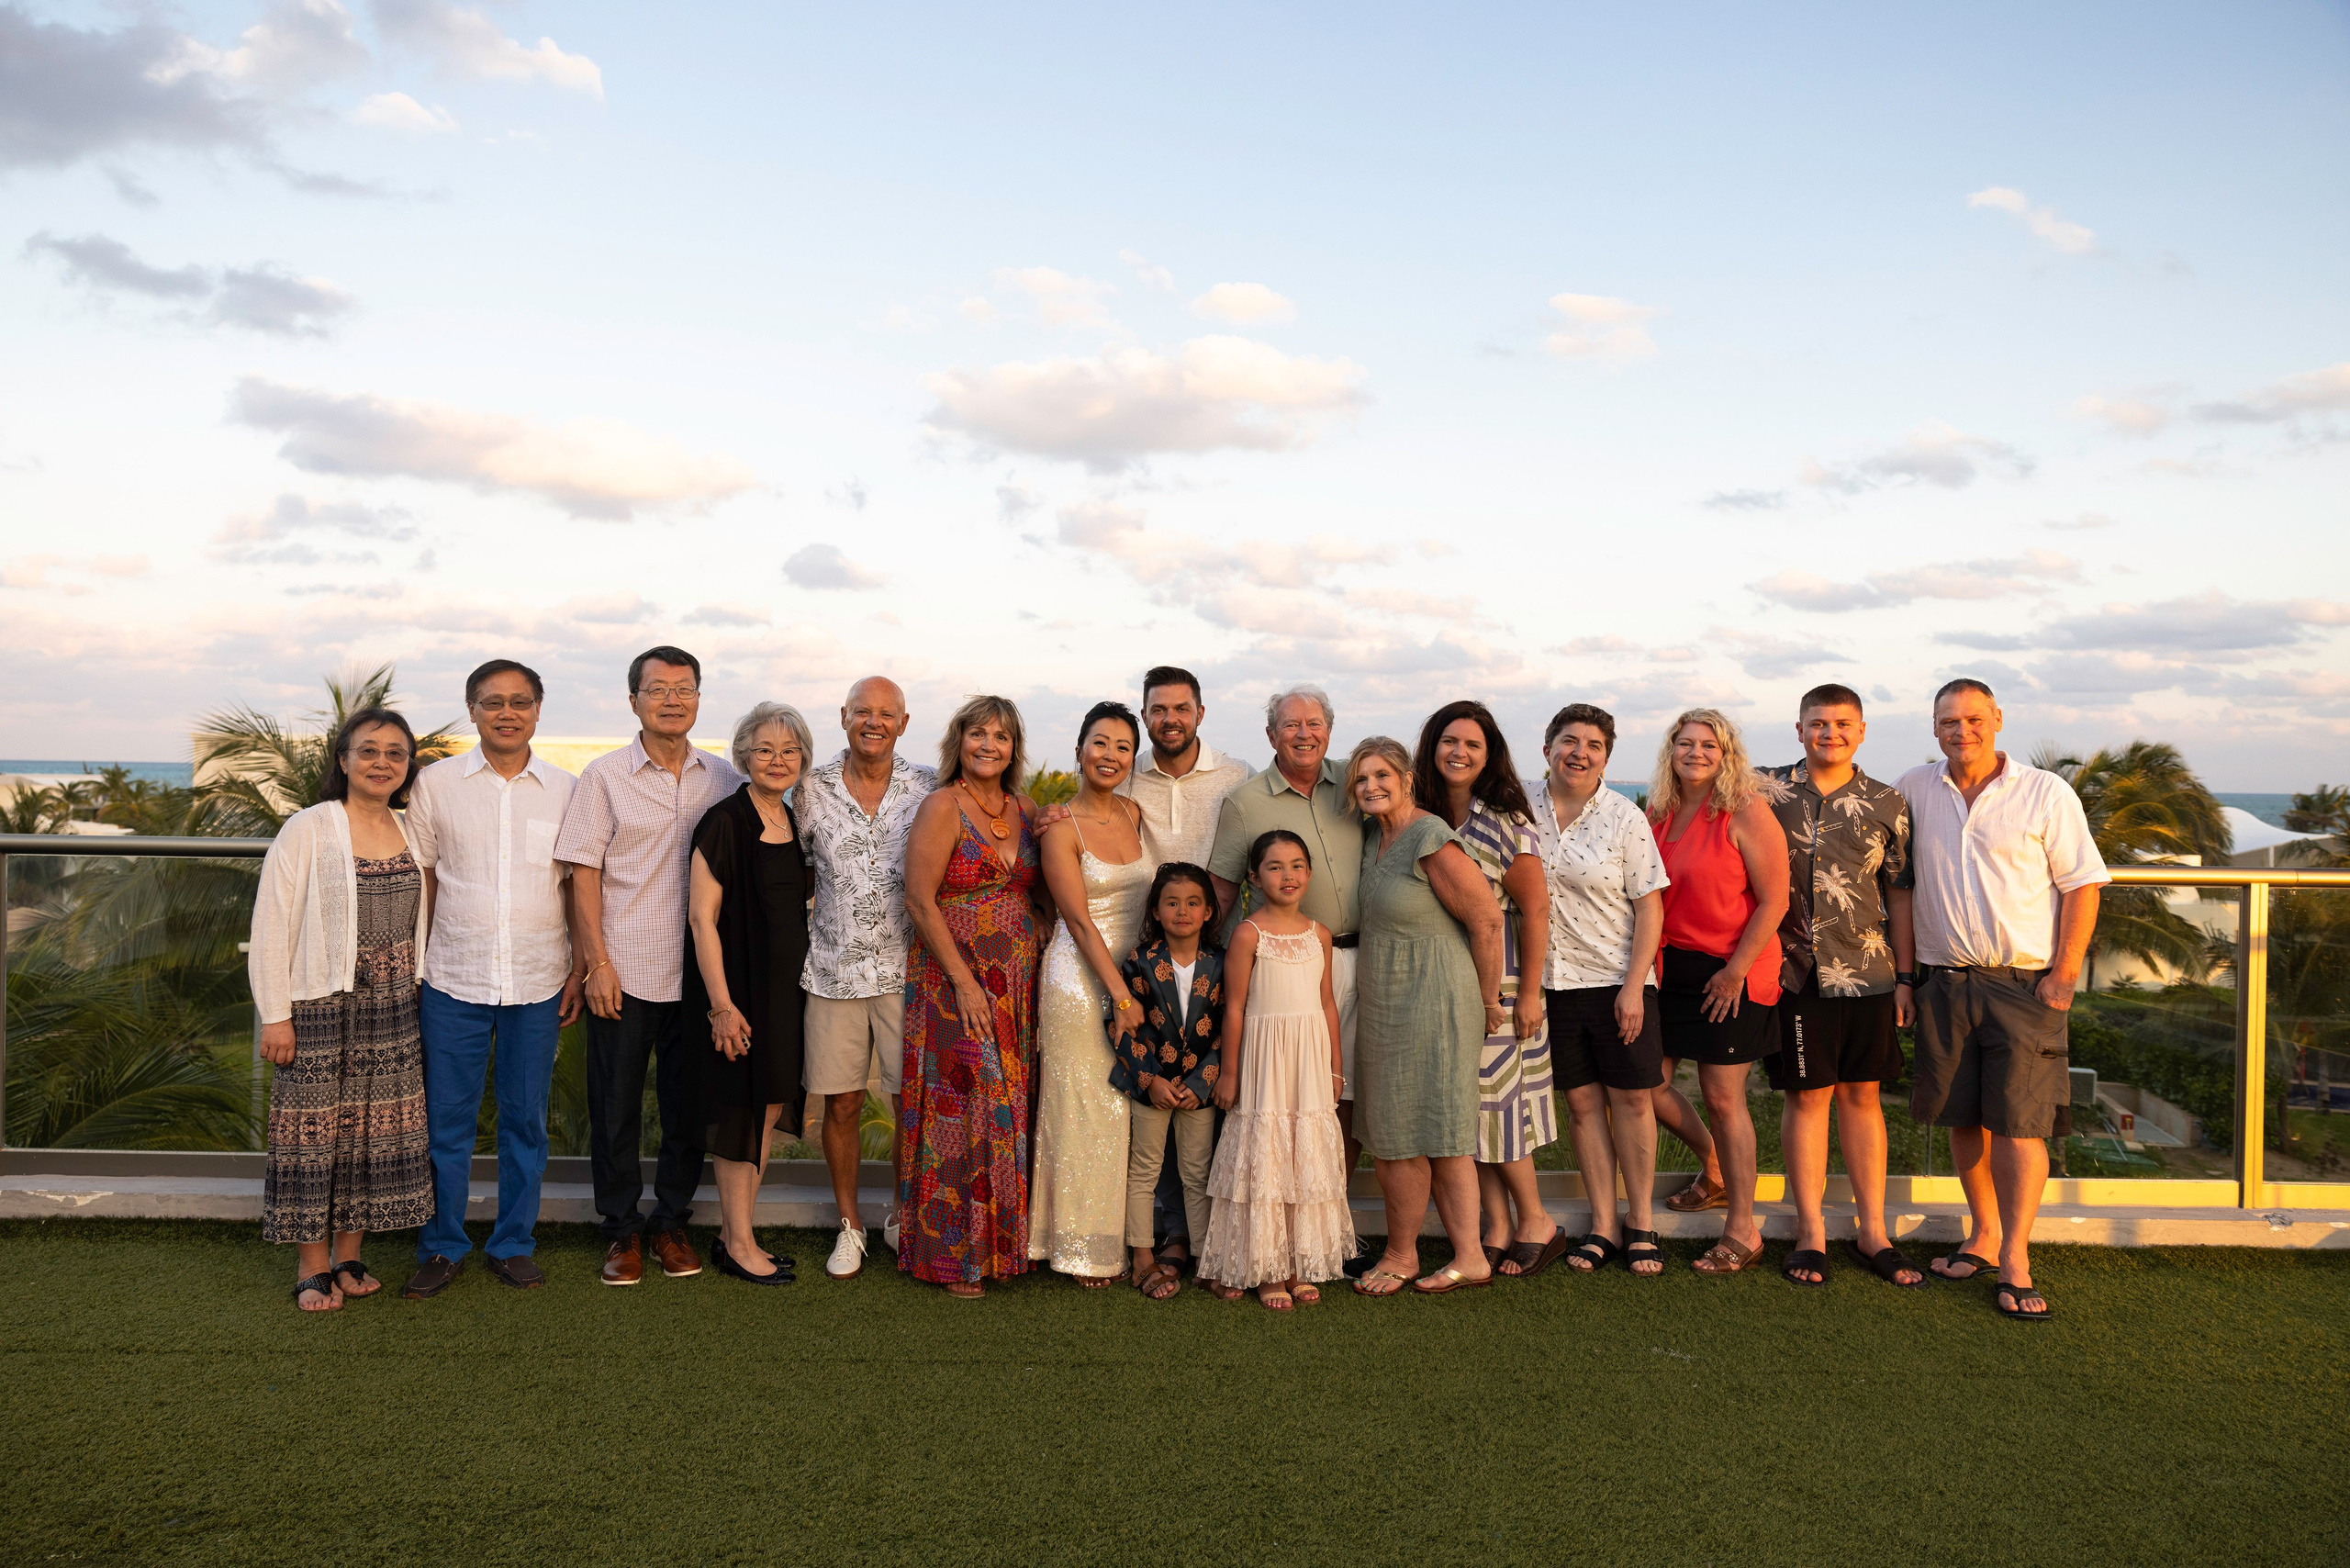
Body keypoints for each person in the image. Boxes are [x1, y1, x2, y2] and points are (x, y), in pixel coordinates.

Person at [1899, 678, 2108, 1320]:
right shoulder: (1914, 788)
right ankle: (1983, 1233)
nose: (1960, 732)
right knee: (1964, 1119)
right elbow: (1900, 887)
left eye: (1971, 720)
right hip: (1944, 981)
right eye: (1947, 722)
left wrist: (2064, 974)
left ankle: (2016, 1256)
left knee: (2021, 1126)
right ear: (1933, 728)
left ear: (1997, 720)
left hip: (2025, 985)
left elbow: (2082, 884)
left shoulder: (2047, 793)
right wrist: (1907, 980)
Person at [554, 645, 745, 1286]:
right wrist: (596, 964)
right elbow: (584, 875)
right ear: (632, 698)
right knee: (615, 1110)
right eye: (657, 688)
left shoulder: (724, 779)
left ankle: (669, 1223)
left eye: (685, 688)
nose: (672, 699)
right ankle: (619, 1232)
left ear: (699, 698)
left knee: (687, 1109)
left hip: (697, 978)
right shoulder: (603, 777)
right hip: (626, 972)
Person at [402, 660, 580, 1300]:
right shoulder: (436, 785)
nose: (507, 712)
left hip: (538, 982)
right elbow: (423, 875)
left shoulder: (566, 788)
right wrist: (418, 968)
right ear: (473, 709)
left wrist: (580, 969)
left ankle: (511, 1244)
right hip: (451, 979)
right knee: (445, 1122)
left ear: (538, 709)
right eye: (492, 702)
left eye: (520, 701)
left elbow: (577, 886)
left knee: (525, 1121)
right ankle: (443, 1245)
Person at [250, 707, 433, 1311]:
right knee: (312, 1137)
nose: (382, 762)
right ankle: (312, 1266)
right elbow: (272, 925)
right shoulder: (308, 828)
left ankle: (350, 1255)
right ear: (344, 759)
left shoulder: (414, 830)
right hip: (319, 1004)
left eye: (395, 754)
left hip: (394, 1007)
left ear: (407, 768)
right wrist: (274, 1013)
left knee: (372, 1138)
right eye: (369, 750)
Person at [1758, 684, 1921, 1289]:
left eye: (1842, 723)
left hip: (1871, 973)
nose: (1830, 733)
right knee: (1807, 1098)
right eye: (1818, 723)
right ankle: (1809, 1232)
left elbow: (1899, 894)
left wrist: (1906, 977)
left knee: (1862, 1098)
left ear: (1862, 730)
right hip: (1792, 971)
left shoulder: (1887, 801)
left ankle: (1872, 1231)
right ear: (1799, 729)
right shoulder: (1763, 788)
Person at [1344, 736, 1507, 1297]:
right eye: (1362, 779)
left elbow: (1487, 920)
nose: (1372, 786)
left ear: (1408, 779)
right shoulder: (1373, 837)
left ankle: (1462, 1256)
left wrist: (1490, 1001)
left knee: (1439, 1130)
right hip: (1388, 998)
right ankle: (1407, 1250)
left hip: (1436, 997)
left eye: (1383, 775)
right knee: (1391, 1131)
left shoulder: (1430, 836)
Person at [898, 696, 1049, 1297]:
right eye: (978, 733)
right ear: (959, 741)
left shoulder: (1027, 809)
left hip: (1017, 984)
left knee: (1011, 1106)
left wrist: (1035, 917)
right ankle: (952, 1257)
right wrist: (964, 981)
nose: (989, 744)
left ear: (1015, 747)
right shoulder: (943, 806)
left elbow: (1039, 887)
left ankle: (1003, 1251)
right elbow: (918, 899)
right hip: (956, 984)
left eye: (1002, 736)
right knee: (964, 1112)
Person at [1414, 700, 1565, 1278]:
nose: (1459, 752)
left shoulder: (1507, 823)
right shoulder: (1423, 818)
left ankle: (1536, 1222)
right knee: (1464, 1110)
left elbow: (1535, 911)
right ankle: (1497, 1227)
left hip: (1498, 987)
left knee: (1499, 1106)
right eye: (1449, 741)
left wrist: (1528, 994)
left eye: (1472, 745)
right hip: (1440, 986)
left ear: (1489, 755)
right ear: (1432, 747)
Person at [795, 676, 934, 1282]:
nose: (873, 722)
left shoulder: (930, 787)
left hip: (910, 973)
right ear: (843, 717)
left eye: (886, 713)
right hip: (832, 972)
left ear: (903, 723)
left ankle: (905, 1217)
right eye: (861, 712)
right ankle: (850, 1226)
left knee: (912, 1105)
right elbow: (793, 870)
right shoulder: (809, 789)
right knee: (843, 1102)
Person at [1115, 664, 1254, 1274]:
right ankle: (1167, 1234)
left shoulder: (1235, 777)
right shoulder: (1126, 776)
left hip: (1214, 960)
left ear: (1200, 712)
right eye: (1158, 710)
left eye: (1181, 708)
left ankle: (1203, 1242)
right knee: (1150, 1107)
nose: (1170, 719)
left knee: (1203, 1110)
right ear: (1145, 715)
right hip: (1136, 955)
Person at [1528, 704, 1672, 1277]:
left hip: (1618, 984)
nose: (1579, 753)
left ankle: (1641, 1224)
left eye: (1592, 745)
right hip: (1552, 986)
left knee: (1633, 1101)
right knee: (1582, 1106)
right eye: (1569, 741)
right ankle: (1604, 1226)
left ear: (1606, 757)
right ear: (1547, 748)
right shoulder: (1521, 814)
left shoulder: (1623, 817)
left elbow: (1649, 905)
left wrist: (1635, 986)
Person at [1647, 707, 1789, 1276]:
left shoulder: (1746, 810)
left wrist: (1734, 971)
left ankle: (1743, 1229)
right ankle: (1714, 1168)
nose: (1697, 752)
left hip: (1732, 971)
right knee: (1646, 1085)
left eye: (1709, 744)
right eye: (1686, 743)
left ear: (1726, 753)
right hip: (1669, 969)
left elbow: (1774, 901)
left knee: (1724, 1097)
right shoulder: (1657, 810)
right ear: (1671, 751)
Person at [684, 702, 817, 1286]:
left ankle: (734, 1233)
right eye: (764, 749)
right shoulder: (724, 821)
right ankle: (740, 1243)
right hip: (739, 994)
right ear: (744, 756)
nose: (777, 760)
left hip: (786, 995)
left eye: (789, 751)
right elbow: (701, 920)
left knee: (763, 1110)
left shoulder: (792, 821)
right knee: (741, 1112)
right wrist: (722, 1005)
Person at [1209, 686, 1366, 1181]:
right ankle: (1277, 1207)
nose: (1304, 734)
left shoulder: (1356, 784)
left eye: (1314, 723)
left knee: (1344, 1092)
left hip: (1360, 956)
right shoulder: (1245, 803)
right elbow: (1222, 892)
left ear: (1329, 730)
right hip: (1282, 972)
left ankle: (1329, 1218)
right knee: (1279, 1094)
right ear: (1271, 735)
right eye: (1291, 725)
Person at [1198, 831, 1356, 1309]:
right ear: (1254, 877)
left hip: (1309, 1061)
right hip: (1264, 1060)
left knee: (1300, 1160)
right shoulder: (1249, 934)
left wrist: (1334, 1068)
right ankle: (1266, 1270)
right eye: (1274, 866)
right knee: (1267, 1158)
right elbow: (1235, 1008)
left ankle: (1294, 1265)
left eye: (1296, 866)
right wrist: (1229, 1073)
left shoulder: (1320, 934)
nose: (1287, 875)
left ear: (1309, 874)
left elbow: (1327, 1004)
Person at [1030, 701, 1153, 1285]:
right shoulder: (1060, 827)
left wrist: (1139, 989)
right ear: (1080, 750)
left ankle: (1111, 1237)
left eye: (1123, 747)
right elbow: (1077, 922)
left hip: (1132, 978)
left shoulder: (1133, 811)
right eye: (1100, 743)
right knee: (1083, 1109)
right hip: (1079, 983)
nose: (1111, 756)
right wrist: (1119, 997)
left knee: (1121, 1110)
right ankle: (1076, 1247)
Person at [1113, 862, 1224, 1301]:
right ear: (1156, 911)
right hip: (1150, 1087)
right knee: (1145, 1171)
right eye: (1172, 903)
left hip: (1200, 1091)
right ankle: (1143, 1257)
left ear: (1209, 912)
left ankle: (1205, 1260)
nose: (1183, 911)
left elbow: (1228, 1031)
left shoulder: (1221, 962)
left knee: (1198, 1174)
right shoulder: (1139, 962)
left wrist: (1202, 1082)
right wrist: (1151, 1081)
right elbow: (1120, 1027)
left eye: (1193, 903)